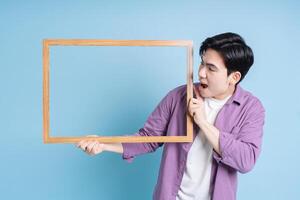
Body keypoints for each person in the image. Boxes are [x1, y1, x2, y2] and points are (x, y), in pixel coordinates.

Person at [76, 32, 265, 200]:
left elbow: (245, 160)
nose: (200, 73)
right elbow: (148, 138)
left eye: (211, 68)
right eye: (201, 63)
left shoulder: (251, 108)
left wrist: (202, 122)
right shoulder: (179, 96)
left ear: (234, 77)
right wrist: (103, 144)